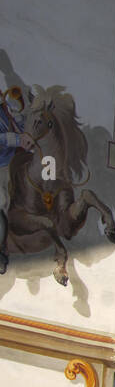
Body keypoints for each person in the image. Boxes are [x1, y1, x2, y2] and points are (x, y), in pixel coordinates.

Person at [0, 85, 34, 273]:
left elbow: (20, 127)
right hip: (0, 165)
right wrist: (16, 139)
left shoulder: (6, 110)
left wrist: (23, 114)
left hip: (9, 164)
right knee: (1, 202)